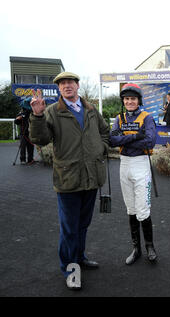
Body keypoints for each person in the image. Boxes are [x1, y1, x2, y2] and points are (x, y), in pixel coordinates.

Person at [29, 72, 110, 290]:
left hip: (91, 176)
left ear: (77, 85)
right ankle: (70, 269)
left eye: (70, 82)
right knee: (69, 228)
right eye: (62, 84)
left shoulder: (91, 109)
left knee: (83, 224)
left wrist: (100, 148)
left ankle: (80, 258)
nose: (66, 86)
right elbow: (40, 139)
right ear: (58, 89)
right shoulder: (52, 112)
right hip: (68, 178)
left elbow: (105, 132)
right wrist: (36, 116)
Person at [110, 83, 158, 263]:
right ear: (123, 101)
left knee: (143, 209)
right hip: (124, 165)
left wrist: (124, 140)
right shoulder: (119, 118)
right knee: (130, 209)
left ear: (139, 100)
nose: (130, 101)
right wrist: (135, 136)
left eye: (133, 99)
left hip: (141, 164)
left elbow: (149, 142)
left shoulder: (147, 117)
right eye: (127, 99)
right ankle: (136, 249)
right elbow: (112, 141)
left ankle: (150, 247)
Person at [14, 98, 35, 165]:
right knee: (22, 146)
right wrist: (18, 119)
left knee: (31, 147)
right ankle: (23, 159)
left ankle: (30, 159)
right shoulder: (21, 113)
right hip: (23, 133)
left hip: (31, 133)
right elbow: (16, 122)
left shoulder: (33, 113)